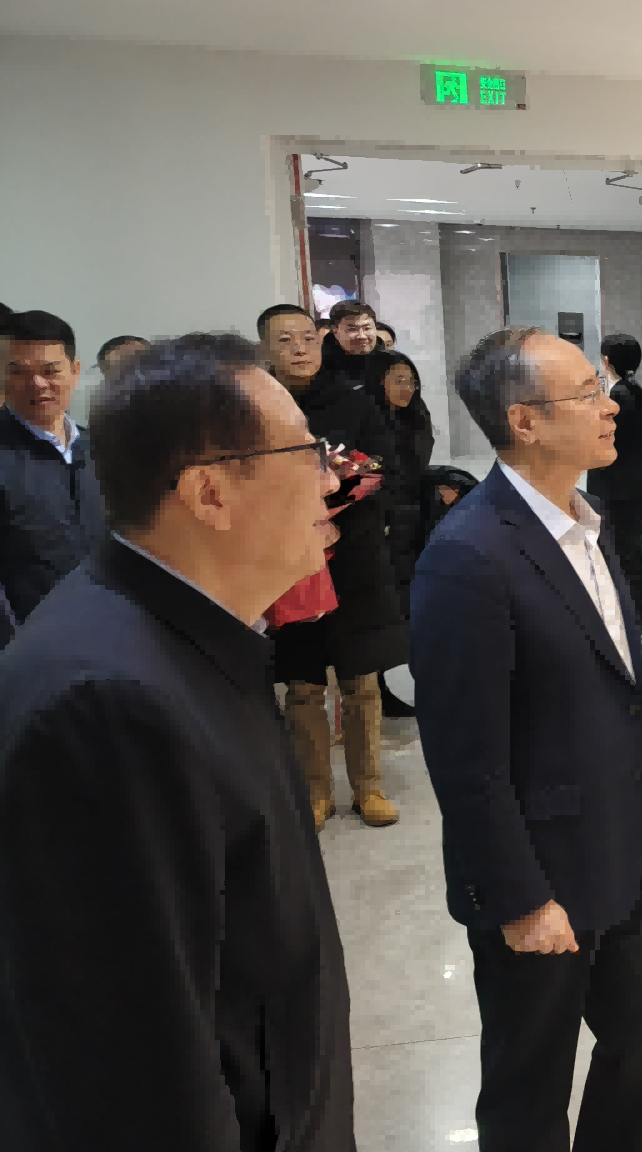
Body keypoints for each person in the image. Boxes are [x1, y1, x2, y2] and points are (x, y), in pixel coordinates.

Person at [0, 333, 355, 1149]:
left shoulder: (193, 632)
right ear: (209, 492)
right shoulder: (109, 705)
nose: (332, 479)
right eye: (307, 454)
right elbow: (138, 1070)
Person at [413, 327, 642, 1152]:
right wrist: (520, 898)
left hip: (631, 836)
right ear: (524, 421)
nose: (611, 407)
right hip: (542, 865)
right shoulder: (469, 554)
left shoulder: (587, 520)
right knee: (529, 1082)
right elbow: (464, 755)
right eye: (586, 394)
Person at [259, 302, 406, 830]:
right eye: (284, 340)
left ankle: (369, 788)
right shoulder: (255, 406)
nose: (299, 348)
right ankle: (315, 792)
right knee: (302, 685)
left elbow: (384, 464)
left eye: (306, 337)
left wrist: (336, 494)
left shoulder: (353, 398)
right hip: (291, 558)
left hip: (353, 553)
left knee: (360, 680)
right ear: (266, 349)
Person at [0, 310, 106, 627]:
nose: (37, 384)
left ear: (74, 370)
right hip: (32, 642)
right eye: (18, 372)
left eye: (51, 371)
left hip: (114, 630)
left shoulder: (104, 450)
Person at [368, 349, 434, 718]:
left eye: (411, 380)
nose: (407, 387)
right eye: (398, 380)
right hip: (381, 526)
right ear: (378, 382)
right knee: (383, 608)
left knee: (409, 605)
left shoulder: (415, 418)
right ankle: (376, 688)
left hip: (413, 524)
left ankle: (401, 682)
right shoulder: (369, 422)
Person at [587, 333, 642, 617]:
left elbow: (600, 441)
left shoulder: (617, 398)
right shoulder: (634, 391)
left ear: (606, 361)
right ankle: (637, 612)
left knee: (623, 555)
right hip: (635, 483)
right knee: (627, 552)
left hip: (620, 489)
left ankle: (637, 616)